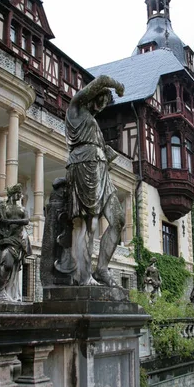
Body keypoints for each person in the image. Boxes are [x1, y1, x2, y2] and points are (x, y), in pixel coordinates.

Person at [65, 74, 125, 287]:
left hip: (101, 170)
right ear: (94, 96)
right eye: (102, 102)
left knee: (118, 219)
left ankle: (101, 269)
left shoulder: (92, 120)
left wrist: (105, 155)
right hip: (84, 166)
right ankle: (83, 276)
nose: (101, 108)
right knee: (88, 223)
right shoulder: (76, 108)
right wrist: (117, 85)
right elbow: (101, 79)